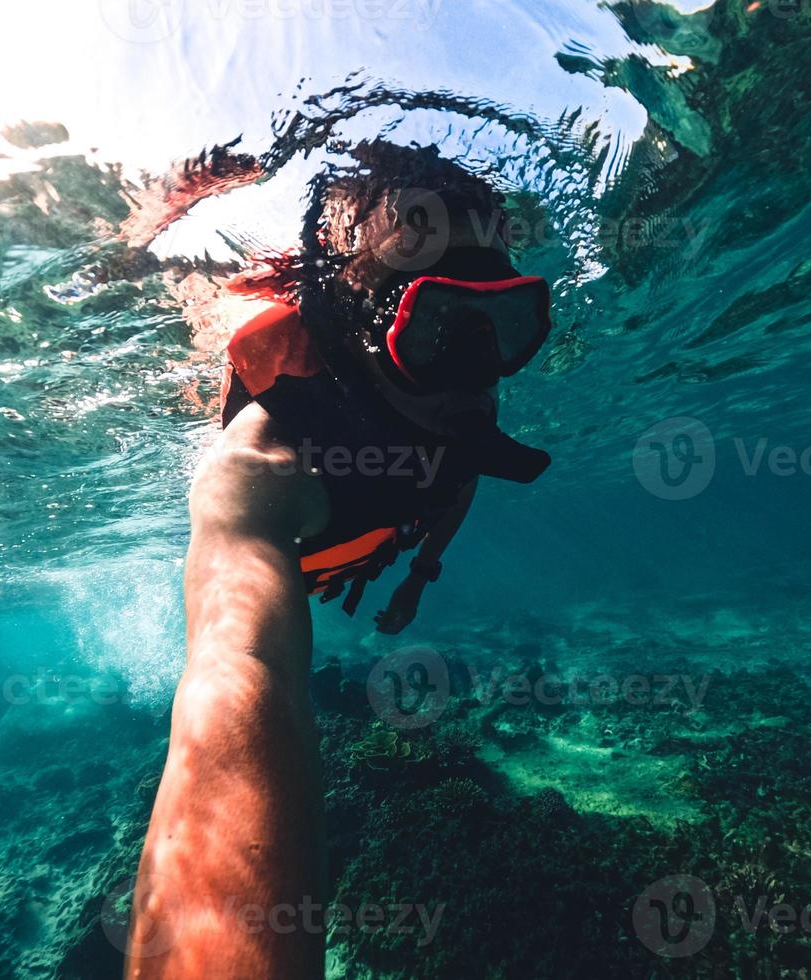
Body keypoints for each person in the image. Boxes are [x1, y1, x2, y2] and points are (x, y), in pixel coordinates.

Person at [125, 141, 554, 979]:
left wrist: (421, 573)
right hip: (311, 550)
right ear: (359, 323)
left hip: (367, 554)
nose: (476, 372)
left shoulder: (446, 402)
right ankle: (146, 234)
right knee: (154, 264)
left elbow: (456, 468)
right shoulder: (261, 460)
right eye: (437, 325)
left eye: (503, 324)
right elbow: (242, 669)